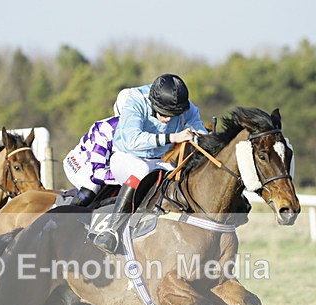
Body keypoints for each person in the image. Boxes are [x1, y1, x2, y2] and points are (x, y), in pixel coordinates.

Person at [93, 74, 207, 253]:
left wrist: (201, 136)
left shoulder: (188, 107)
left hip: (159, 162)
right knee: (142, 168)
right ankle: (111, 230)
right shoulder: (136, 100)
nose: (168, 119)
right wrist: (173, 137)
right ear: (153, 102)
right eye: (164, 113)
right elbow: (132, 140)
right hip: (126, 157)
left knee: (185, 177)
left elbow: (199, 129)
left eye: (173, 115)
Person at [62, 90, 133, 206]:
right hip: (81, 163)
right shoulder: (105, 129)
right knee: (92, 186)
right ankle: (67, 220)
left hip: (107, 168)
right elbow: (98, 174)